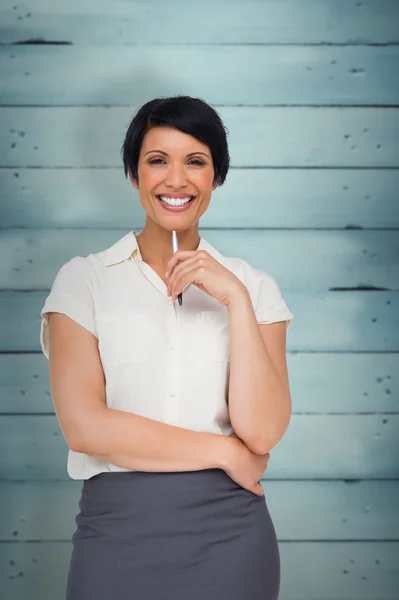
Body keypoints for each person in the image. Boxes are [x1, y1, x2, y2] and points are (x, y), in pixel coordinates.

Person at [40, 95, 294, 600]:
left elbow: (262, 432)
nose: (176, 180)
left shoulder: (254, 287)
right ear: (134, 175)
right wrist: (225, 451)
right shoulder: (84, 280)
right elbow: (84, 427)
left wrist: (236, 302)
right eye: (157, 161)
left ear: (216, 177)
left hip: (233, 537)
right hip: (114, 533)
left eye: (195, 162)